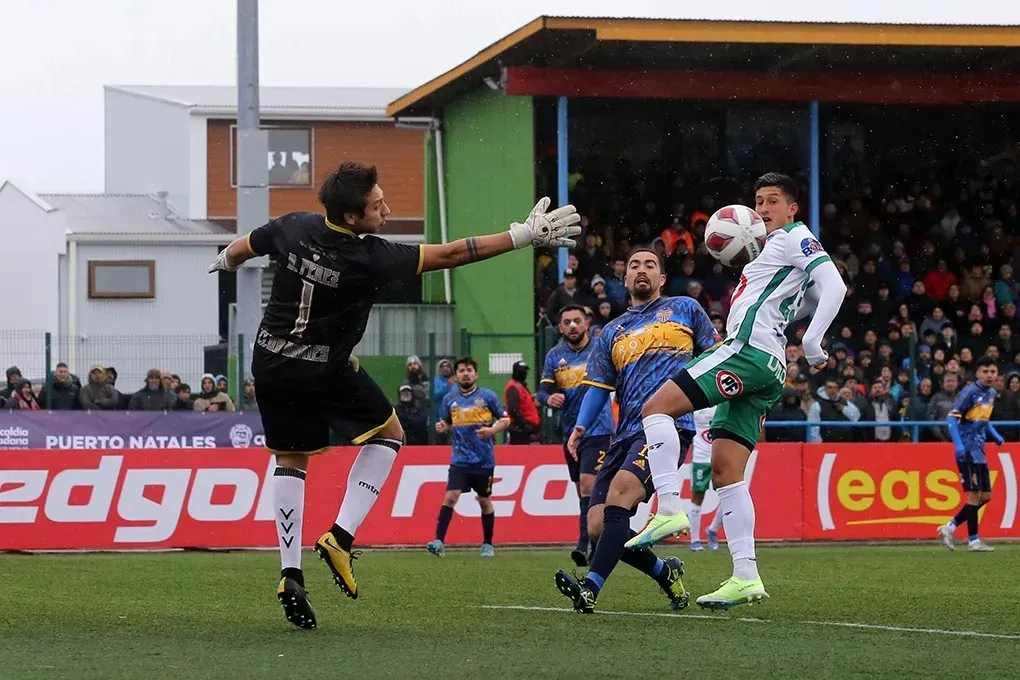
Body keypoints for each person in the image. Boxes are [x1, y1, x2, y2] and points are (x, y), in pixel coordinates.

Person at [207, 161, 580, 630]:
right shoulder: (369, 256)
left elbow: (249, 243)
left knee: (290, 460)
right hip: (323, 366)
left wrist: (227, 259)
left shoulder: (293, 225)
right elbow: (451, 255)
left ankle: (289, 573)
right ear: (350, 218)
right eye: (377, 206)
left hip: (271, 361)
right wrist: (522, 236)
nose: (387, 208)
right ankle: (340, 538)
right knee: (390, 435)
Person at [631, 172, 847, 612]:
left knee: (655, 408)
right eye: (758, 201)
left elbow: (836, 285)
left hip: (747, 352)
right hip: (767, 366)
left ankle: (669, 505)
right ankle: (746, 575)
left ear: (792, 209)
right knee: (728, 474)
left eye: (772, 201)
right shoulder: (770, 251)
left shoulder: (793, 237)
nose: (763, 209)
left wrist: (811, 341)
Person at [553, 246, 720, 614]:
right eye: (633, 265)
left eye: (650, 265)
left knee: (620, 496)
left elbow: (715, 357)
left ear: (661, 278)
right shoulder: (611, 331)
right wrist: (580, 427)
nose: (641, 270)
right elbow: (599, 387)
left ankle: (590, 587)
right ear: (625, 279)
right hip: (624, 433)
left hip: (669, 426)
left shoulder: (685, 309)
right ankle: (665, 573)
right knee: (597, 525)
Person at [537, 304, 616, 566]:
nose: (572, 326)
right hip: (570, 434)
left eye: (577, 321)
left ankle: (584, 543)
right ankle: (597, 540)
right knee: (584, 491)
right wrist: (550, 398)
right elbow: (542, 392)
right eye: (567, 322)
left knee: (587, 484)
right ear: (560, 327)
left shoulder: (599, 349)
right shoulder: (554, 356)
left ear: (586, 323)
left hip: (600, 430)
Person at [427, 357, 510, 558]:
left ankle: (488, 544)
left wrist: (491, 431)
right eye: (462, 370)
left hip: (484, 461)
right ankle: (438, 541)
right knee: (450, 497)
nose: (466, 373)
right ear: (455, 376)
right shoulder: (450, 399)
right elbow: (446, 423)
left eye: (469, 370)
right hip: (460, 459)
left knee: (484, 500)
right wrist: (442, 427)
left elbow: (505, 419)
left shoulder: (488, 396)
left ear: (476, 374)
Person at [937, 357, 1004, 552]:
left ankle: (949, 527)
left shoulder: (991, 393)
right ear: (977, 373)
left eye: (993, 371)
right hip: (967, 450)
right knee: (974, 494)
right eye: (985, 372)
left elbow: (983, 419)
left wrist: (995, 435)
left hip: (979, 450)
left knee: (986, 495)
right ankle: (973, 540)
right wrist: (958, 445)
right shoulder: (969, 393)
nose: (990, 375)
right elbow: (951, 419)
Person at [687, 405, 717, 551]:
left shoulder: (723, 400)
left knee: (729, 495)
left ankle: (713, 529)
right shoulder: (695, 403)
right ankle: (695, 540)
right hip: (700, 457)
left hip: (720, 456)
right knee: (697, 497)